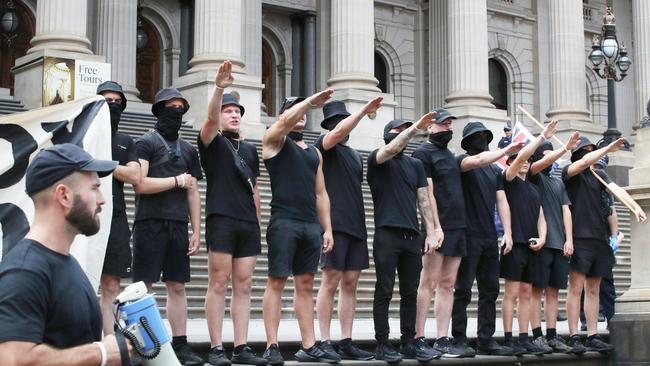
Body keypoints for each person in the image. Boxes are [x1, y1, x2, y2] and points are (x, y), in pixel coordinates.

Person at [0, 143, 134, 365]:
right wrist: (101, 353)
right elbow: (13, 359)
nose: (102, 199)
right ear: (64, 196)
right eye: (94, 188)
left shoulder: (67, 263)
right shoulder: (24, 272)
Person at [261, 90, 340, 365]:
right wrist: (308, 102)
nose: (302, 115)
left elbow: (321, 193)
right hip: (283, 221)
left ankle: (309, 344)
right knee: (277, 281)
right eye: (295, 110)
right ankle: (272, 345)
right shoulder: (274, 141)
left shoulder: (315, 153)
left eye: (305, 111)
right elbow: (281, 125)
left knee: (305, 283)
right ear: (284, 115)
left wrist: (327, 228)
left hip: (309, 225)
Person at [198, 61, 266, 366]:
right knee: (218, 282)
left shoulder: (250, 150)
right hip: (221, 218)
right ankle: (215, 347)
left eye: (237, 111)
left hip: (247, 224)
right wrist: (219, 89)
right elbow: (210, 120)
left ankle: (240, 347)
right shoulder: (212, 142)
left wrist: (258, 221)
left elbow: (255, 190)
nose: (234, 114)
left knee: (245, 284)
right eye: (229, 110)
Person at [132, 88, 204, 365]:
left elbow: (193, 192)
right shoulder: (145, 142)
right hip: (149, 222)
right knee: (143, 286)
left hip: (178, 224)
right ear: (159, 110)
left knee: (177, 286)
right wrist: (176, 181)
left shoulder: (188, 149)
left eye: (180, 107)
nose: (175, 111)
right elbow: (140, 183)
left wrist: (196, 230)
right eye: (170, 107)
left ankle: (181, 345)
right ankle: (141, 344)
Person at [368, 115, 442, 364]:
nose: (405, 133)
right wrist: (414, 129)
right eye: (399, 130)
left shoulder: (415, 165)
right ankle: (382, 343)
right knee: (385, 289)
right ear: (388, 133)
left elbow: (424, 199)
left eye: (407, 130)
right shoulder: (378, 159)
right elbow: (391, 148)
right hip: (387, 233)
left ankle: (409, 341)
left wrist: (431, 231)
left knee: (410, 292)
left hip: (412, 236)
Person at [314, 98, 382, 361]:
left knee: (350, 283)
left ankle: (345, 340)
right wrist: (364, 111)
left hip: (356, 225)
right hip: (335, 224)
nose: (345, 127)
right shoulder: (324, 145)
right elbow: (337, 134)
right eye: (340, 121)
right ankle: (324, 339)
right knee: (330, 281)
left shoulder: (354, 155)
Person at [563, 137, 646, 353]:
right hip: (579, 237)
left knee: (594, 289)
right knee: (576, 288)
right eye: (586, 150)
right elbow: (581, 164)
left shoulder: (599, 174)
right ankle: (574, 336)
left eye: (592, 150)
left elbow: (616, 190)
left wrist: (635, 207)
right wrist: (607, 148)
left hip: (599, 238)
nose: (590, 153)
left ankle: (592, 335)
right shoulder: (571, 172)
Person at [450, 121, 525, 357]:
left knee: (490, 290)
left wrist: (508, 233)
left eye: (484, 135)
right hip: (468, 234)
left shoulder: (494, 172)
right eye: (476, 136)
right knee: (462, 289)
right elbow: (478, 160)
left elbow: (502, 201)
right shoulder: (462, 161)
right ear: (467, 141)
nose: (480, 138)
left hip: (489, 236)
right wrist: (505, 151)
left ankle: (486, 339)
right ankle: (459, 338)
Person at [500, 121, 557, 356]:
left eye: (526, 161)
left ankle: (524, 337)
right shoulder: (509, 179)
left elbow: (542, 216)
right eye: (520, 160)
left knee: (526, 292)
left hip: (533, 245)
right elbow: (520, 156)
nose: (524, 164)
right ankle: (508, 337)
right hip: (516, 243)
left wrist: (543, 237)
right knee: (511, 293)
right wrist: (541, 136)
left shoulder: (534, 188)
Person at [96, 81, 142, 336]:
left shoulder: (126, 141)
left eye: (116, 102)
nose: (112, 106)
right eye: (106, 101)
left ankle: (110, 340)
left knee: (112, 283)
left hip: (116, 218)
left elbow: (135, 175)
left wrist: (104, 164)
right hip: (85, 217)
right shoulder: (84, 137)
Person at [527, 133, 580, 354]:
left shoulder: (558, 182)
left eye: (553, 156)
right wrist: (565, 149)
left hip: (559, 245)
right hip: (541, 244)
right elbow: (540, 164)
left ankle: (551, 334)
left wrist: (569, 239)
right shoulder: (533, 176)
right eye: (547, 156)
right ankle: (537, 335)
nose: (552, 161)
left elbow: (566, 210)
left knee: (554, 292)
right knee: (536, 291)